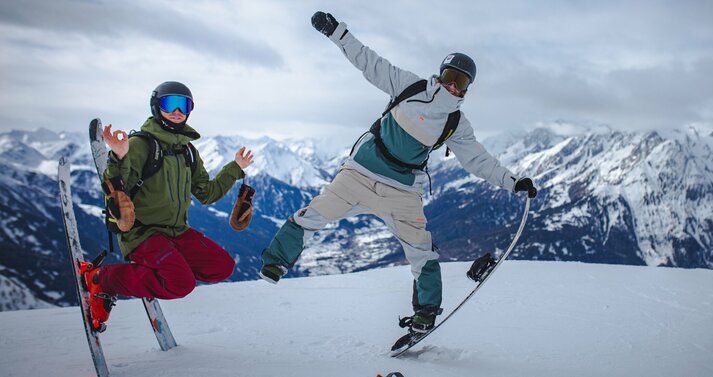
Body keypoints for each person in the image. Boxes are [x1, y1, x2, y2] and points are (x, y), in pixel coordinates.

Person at [258, 12, 537, 343]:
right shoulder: (409, 86)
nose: (451, 85)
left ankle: (425, 315)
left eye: (460, 82)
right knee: (314, 215)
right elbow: (369, 62)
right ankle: (275, 263)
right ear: (439, 73)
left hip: (403, 191)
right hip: (359, 173)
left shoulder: (455, 123)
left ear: (466, 89)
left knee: (422, 251)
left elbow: (477, 159)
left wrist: (512, 180)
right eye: (449, 76)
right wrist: (337, 32)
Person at [82, 81, 254, 331]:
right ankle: (100, 279)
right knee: (180, 284)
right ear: (156, 106)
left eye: (183, 105)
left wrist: (235, 168)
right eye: (169, 103)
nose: (177, 111)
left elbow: (206, 193)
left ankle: (156, 273)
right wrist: (119, 156)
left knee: (222, 266)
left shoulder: (188, 151)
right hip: (142, 233)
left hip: (176, 232)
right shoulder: (141, 144)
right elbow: (118, 190)